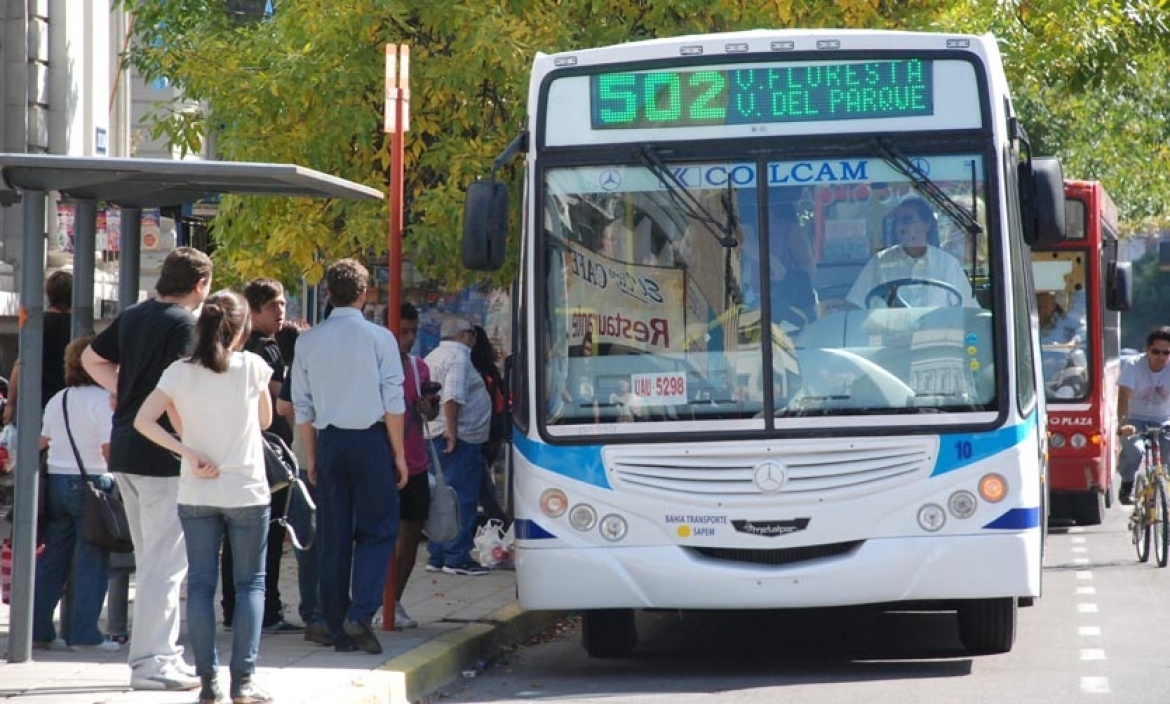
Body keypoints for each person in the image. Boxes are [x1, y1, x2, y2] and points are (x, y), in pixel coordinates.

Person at [134, 290, 275, 704]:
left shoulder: (179, 372)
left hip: (196, 488)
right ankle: (244, 683)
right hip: (246, 489)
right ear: (243, 328)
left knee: (199, 585)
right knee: (250, 584)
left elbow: (144, 420)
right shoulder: (253, 367)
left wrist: (188, 451)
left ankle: (209, 682)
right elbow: (265, 420)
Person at [82, 246, 212, 691]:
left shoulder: (135, 315)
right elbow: (180, 394)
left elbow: (89, 359)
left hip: (126, 449)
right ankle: (153, 661)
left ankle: (159, 655)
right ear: (200, 285)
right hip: (163, 454)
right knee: (164, 564)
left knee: (153, 559)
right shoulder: (187, 325)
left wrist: (126, 387)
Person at [291, 258, 409, 655]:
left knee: (333, 535)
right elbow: (394, 401)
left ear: (327, 293)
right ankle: (361, 611)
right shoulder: (380, 339)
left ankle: (336, 624)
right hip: (371, 440)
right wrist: (399, 454)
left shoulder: (308, 341)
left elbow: (302, 407)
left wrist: (312, 454)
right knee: (379, 528)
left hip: (329, 440)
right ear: (364, 294)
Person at [220, 279, 300, 635]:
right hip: (266, 452)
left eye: (283, 304)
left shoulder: (231, 348)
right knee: (266, 532)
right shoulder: (264, 349)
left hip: (236, 449)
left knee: (232, 538)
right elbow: (277, 400)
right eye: (274, 305)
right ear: (254, 310)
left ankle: (234, 607)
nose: (281, 312)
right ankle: (266, 609)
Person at [32, 335, 119, 652]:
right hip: (92, 484)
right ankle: (84, 634)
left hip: (57, 481)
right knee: (92, 560)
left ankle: (38, 629)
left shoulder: (60, 398)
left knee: (53, 559)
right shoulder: (103, 400)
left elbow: (41, 441)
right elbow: (110, 452)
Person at [424, 315, 492, 575]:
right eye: (473, 334)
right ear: (463, 336)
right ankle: (457, 556)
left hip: (435, 434)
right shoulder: (459, 356)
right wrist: (452, 430)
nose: (475, 340)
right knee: (460, 498)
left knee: (439, 497)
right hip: (458, 438)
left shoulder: (434, 355)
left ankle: (437, 553)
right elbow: (452, 395)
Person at [389, 302, 438, 629]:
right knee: (383, 534)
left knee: (410, 533)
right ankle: (379, 597)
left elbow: (430, 416)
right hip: (386, 462)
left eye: (412, 332)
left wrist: (428, 407)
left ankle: (394, 600)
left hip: (416, 460)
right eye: (402, 331)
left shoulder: (420, 368)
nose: (407, 338)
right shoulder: (376, 368)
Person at [846, 197, 976, 309]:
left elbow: (967, 310)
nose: (901, 227)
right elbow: (857, 304)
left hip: (936, 335)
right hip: (891, 335)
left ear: (927, 225)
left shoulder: (947, 264)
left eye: (907, 220)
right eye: (897, 221)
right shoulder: (880, 262)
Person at [4, 270, 73, 425]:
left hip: (35, 404)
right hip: (68, 406)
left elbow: (19, 365)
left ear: (48, 294)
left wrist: (10, 404)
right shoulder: (79, 328)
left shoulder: (35, 326)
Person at [1116, 327, 1170, 505]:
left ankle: (1163, 490)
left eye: (1166, 352)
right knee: (1135, 450)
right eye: (1156, 352)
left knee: (1166, 455)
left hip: (1163, 420)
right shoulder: (1133, 365)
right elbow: (1124, 396)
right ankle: (1127, 485)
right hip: (1135, 419)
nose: (1161, 357)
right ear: (1147, 349)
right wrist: (1123, 424)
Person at [470, 325, 508, 525]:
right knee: (483, 484)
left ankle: (499, 522)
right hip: (493, 432)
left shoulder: (477, 374)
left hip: (482, 434)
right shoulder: (490, 372)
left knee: (482, 486)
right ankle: (499, 522)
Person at [766, 202, 817, 331]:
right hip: (745, 304)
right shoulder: (741, 231)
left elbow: (808, 269)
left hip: (786, 308)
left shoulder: (789, 229)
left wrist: (782, 276)